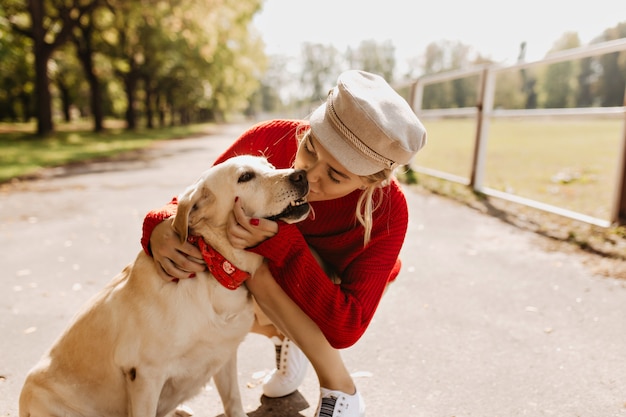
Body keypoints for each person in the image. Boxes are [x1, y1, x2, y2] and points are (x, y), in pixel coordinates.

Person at [141, 70, 427, 417]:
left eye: (335, 176)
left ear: (369, 183)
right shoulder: (273, 138)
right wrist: (159, 224)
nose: (309, 175)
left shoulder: (389, 211)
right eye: (309, 148)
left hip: (329, 286)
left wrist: (282, 241)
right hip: (271, 270)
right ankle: (286, 337)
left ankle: (342, 392)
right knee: (227, 255)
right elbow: (202, 195)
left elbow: (346, 326)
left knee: (260, 269)